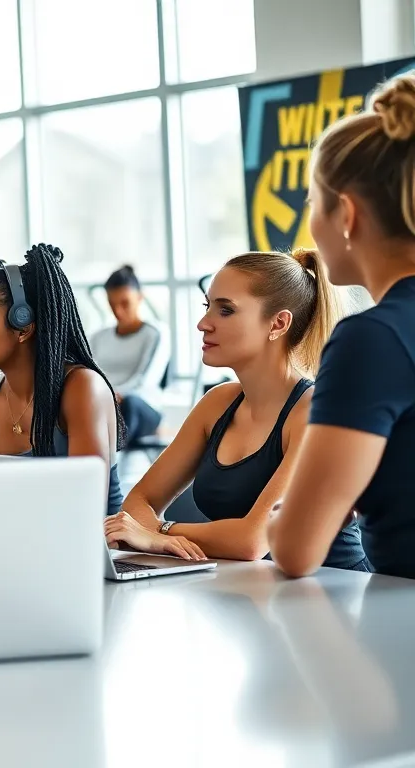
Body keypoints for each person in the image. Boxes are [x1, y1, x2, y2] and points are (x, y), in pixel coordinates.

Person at [103, 250, 367, 569]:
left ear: (279, 323)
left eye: (225, 310)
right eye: (207, 306)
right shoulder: (217, 404)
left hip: (336, 596)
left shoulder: (312, 412)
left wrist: (159, 532)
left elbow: (252, 541)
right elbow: (137, 505)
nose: (203, 323)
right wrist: (153, 534)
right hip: (255, 592)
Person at [270, 74, 415, 579]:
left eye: (312, 202)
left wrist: (286, 516)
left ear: (347, 213)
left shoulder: (370, 339)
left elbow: (295, 549)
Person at [0, 244, 125, 516]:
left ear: (23, 327)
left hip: (84, 552)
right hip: (4, 550)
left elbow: (84, 513)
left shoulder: (82, 388)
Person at [88, 265, 170, 443]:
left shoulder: (155, 333)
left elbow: (146, 379)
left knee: (129, 405)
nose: (118, 311)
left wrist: (115, 394)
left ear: (140, 298)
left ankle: (110, 453)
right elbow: (88, 373)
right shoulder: (98, 337)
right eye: (112, 304)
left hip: (140, 405)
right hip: (104, 402)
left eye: (125, 303)